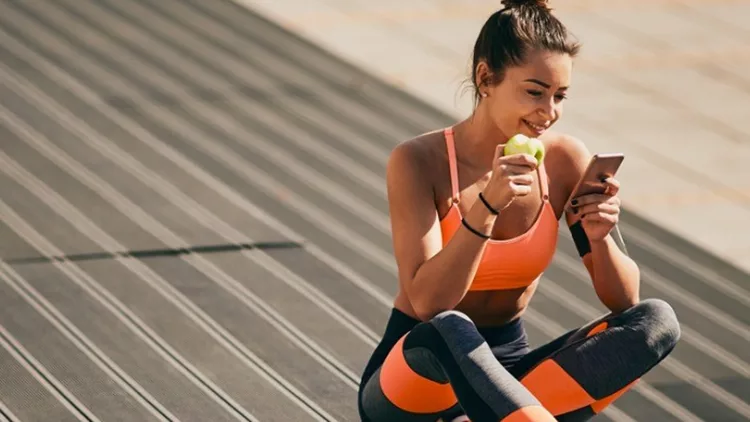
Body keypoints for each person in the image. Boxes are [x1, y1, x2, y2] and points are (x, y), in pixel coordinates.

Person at [357, 1, 681, 421]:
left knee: (656, 320)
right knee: (449, 327)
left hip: (512, 374)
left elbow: (624, 301)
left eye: (559, 96)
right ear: (485, 78)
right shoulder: (420, 161)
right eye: (534, 92)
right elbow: (428, 304)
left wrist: (601, 237)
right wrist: (487, 207)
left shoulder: (564, 160)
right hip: (418, 382)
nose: (548, 113)